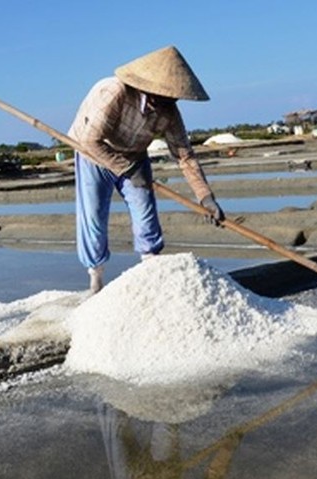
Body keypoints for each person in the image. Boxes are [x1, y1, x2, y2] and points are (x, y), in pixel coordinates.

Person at [68, 45, 225, 293]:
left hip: (135, 154)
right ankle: (95, 277)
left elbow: (184, 155)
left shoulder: (170, 113)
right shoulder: (114, 92)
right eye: (164, 96)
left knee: (145, 213)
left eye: (172, 98)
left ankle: (151, 268)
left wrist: (206, 197)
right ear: (149, 89)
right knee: (94, 215)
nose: (169, 102)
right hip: (93, 154)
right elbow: (90, 141)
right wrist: (127, 170)